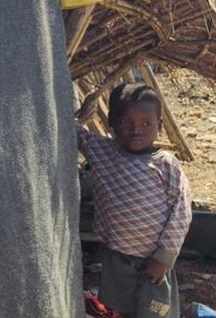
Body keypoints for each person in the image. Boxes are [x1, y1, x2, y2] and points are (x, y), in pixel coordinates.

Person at [78, 82, 192, 318]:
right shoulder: (103, 152)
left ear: (160, 125)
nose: (135, 130)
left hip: (154, 263)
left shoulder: (165, 164)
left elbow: (181, 212)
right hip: (116, 258)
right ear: (111, 122)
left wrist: (164, 257)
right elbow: (74, 132)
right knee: (120, 310)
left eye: (146, 123)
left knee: (155, 312)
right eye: (125, 122)